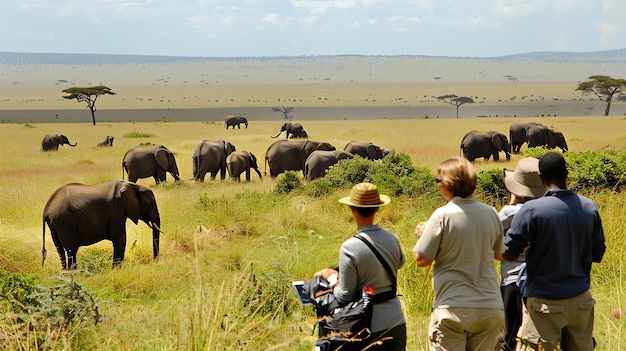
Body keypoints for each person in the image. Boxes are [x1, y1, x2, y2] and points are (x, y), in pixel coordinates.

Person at [503, 152, 606, 350]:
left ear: (541, 178)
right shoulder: (589, 207)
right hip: (581, 300)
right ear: (566, 174)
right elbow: (597, 254)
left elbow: (509, 252)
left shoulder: (531, 210)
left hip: (544, 302)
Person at [413, 157, 505, 350]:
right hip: (490, 307)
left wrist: (425, 234)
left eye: (439, 180)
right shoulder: (491, 213)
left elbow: (422, 260)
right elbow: (499, 255)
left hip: (453, 308)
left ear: (449, 184)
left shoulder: (441, 215)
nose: (438, 185)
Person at [315, 182, 407, 350]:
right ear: (377, 209)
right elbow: (400, 263)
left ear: (352, 209)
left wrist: (333, 278)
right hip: (396, 322)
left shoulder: (349, 247)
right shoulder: (392, 238)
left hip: (366, 327)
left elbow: (344, 296)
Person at [497, 157, 545, 351]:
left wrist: (512, 202)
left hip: (512, 281)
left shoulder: (509, 212)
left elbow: (491, 233)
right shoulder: (545, 211)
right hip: (539, 282)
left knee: (507, 337)